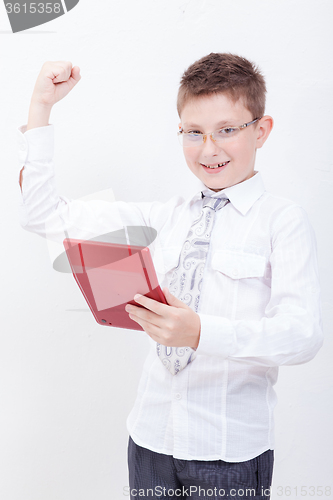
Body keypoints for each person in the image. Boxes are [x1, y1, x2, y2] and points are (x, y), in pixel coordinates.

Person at [18, 53, 323, 499]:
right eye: (193, 133)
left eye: (227, 130)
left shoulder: (283, 221)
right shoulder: (164, 218)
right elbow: (43, 215)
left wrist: (201, 332)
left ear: (261, 130)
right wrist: (41, 108)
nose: (209, 148)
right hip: (150, 440)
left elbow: (302, 335)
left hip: (229, 452)